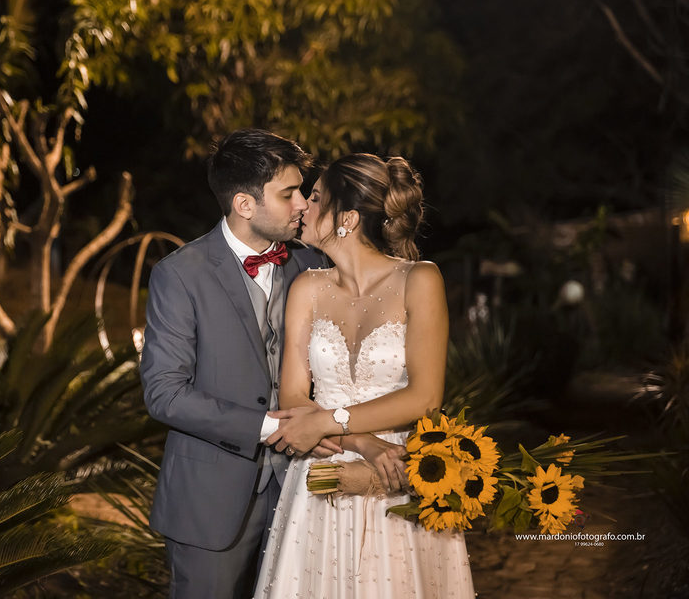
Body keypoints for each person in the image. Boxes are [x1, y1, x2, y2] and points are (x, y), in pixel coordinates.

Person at [254, 153, 476, 598]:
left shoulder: (420, 279)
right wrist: (356, 439)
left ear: (348, 218)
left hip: (396, 473)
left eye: (315, 198)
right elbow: (295, 394)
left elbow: (426, 398)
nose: (302, 206)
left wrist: (327, 420)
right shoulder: (307, 288)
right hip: (322, 474)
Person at [141, 129, 332, 599]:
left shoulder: (312, 266)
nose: (304, 204)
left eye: (303, 192)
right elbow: (165, 393)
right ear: (245, 204)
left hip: (303, 492)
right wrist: (268, 427)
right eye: (289, 194)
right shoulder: (179, 274)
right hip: (209, 499)